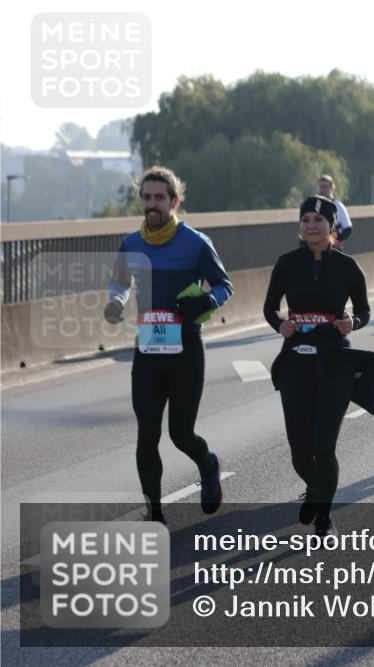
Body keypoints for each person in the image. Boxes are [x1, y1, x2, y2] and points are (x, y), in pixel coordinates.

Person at [104, 166, 233, 525]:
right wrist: (115, 301)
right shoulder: (131, 243)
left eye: (159, 197)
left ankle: (208, 464)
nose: (152, 204)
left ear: (174, 201)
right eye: (146, 197)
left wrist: (207, 301)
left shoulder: (195, 242)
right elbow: (119, 283)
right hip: (148, 350)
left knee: (181, 434)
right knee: (147, 434)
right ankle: (155, 512)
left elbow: (224, 285)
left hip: (185, 349)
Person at [264, 195, 374, 536]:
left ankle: (324, 516)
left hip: (335, 363)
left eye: (318, 220)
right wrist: (280, 325)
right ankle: (316, 488)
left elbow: (363, 310)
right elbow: (269, 308)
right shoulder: (287, 264)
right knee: (300, 453)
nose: (311, 226)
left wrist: (353, 323)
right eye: (305, 220)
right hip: (295, 363)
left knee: (324, 446)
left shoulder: (348, 267)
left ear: (331, 227)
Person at [317, 175, 353, 249]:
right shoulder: (315, 206)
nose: (323, 189)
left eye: (325, 186)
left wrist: (338, 240)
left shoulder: (338, 206)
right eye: (321, 186)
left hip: (333, 249)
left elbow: (348, 229)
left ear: (332, 188)